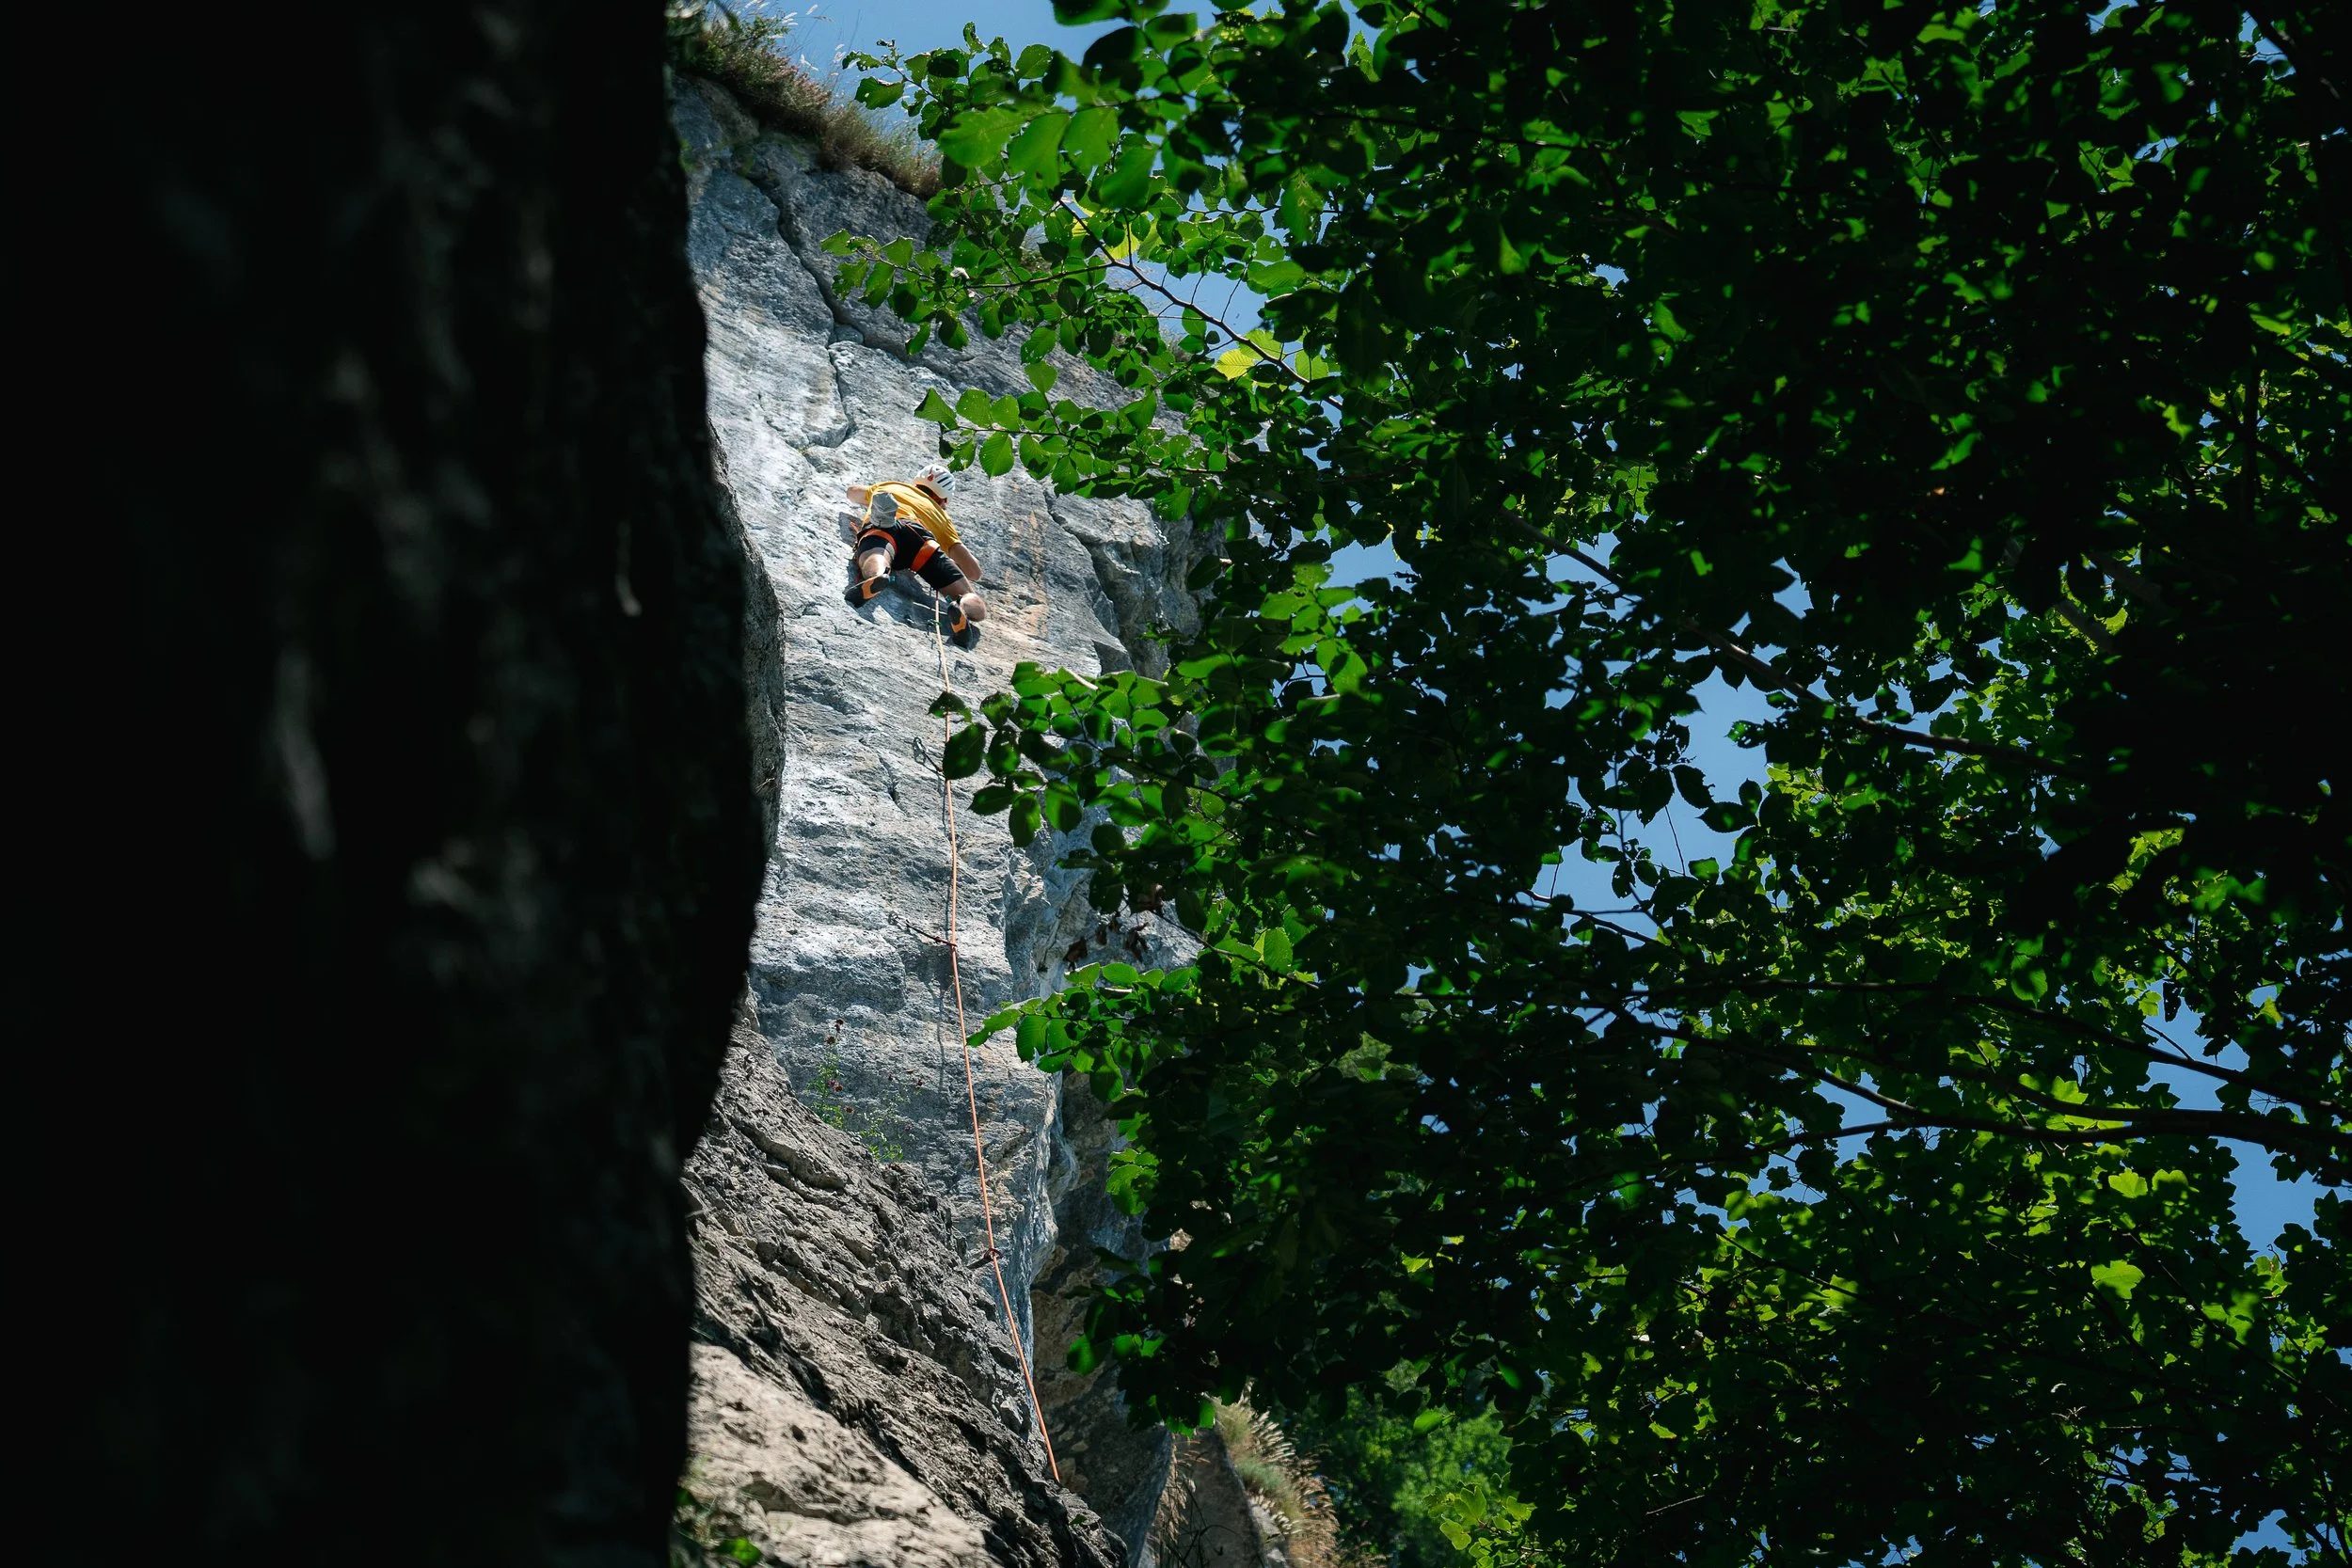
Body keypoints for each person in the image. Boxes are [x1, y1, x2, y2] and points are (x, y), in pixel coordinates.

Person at [843, 464, 987, 647]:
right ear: (943, 500)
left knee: (877, 553)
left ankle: (877, 575)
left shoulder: (893, 486)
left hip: (887, 526)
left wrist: (870, 496)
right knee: (968, 596)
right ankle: (963, 607)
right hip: (921, 540)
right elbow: (974, 572)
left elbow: (852, 492)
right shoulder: (942, 517)